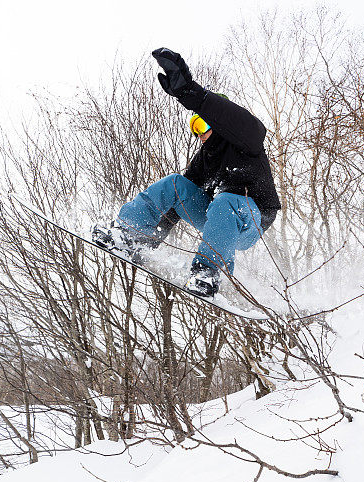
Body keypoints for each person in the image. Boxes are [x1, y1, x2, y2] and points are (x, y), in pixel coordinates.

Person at [92, 48, 281, 297]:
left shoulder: (247, 138)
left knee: (226, 201)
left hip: (252, 218)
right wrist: (150, 242)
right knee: (175, 184)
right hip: (219, 222)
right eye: (195, 128)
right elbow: (173, 204)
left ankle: (208, 272)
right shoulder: (207, 158)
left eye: (202, 124)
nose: (199, 134)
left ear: (219, 121)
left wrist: (189, 93)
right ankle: (130, 234)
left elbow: (235, 120)